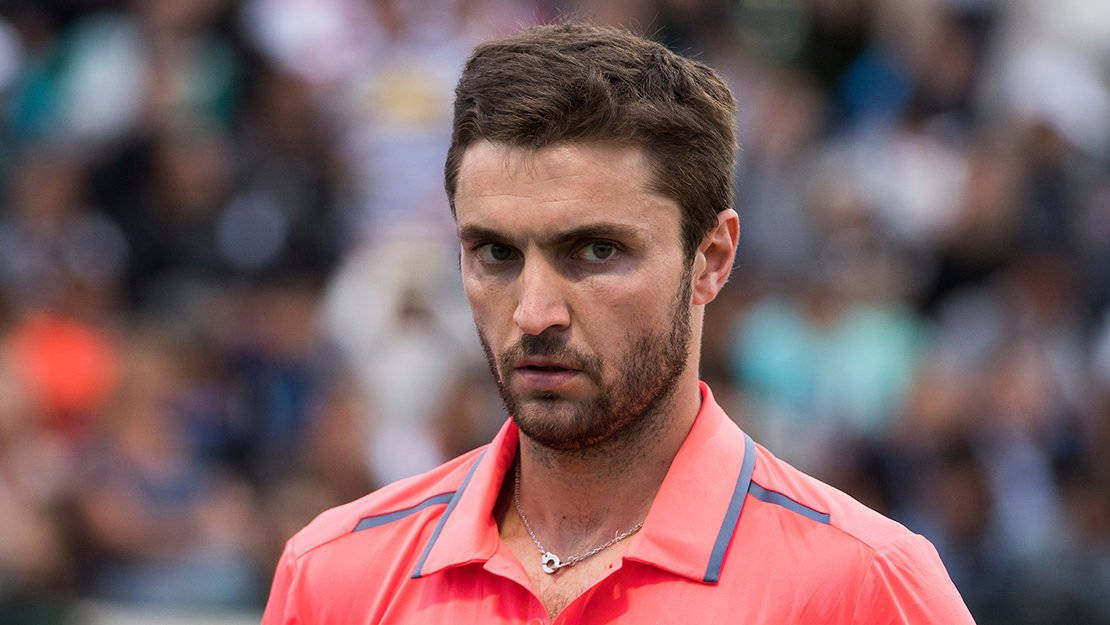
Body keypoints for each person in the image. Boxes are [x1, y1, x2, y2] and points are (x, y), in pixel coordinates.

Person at [261, 23, 975, 624]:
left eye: (596, 250)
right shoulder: (335, 578)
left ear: (712, 258)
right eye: (496, 253)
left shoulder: (867, 585)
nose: (535, 312)